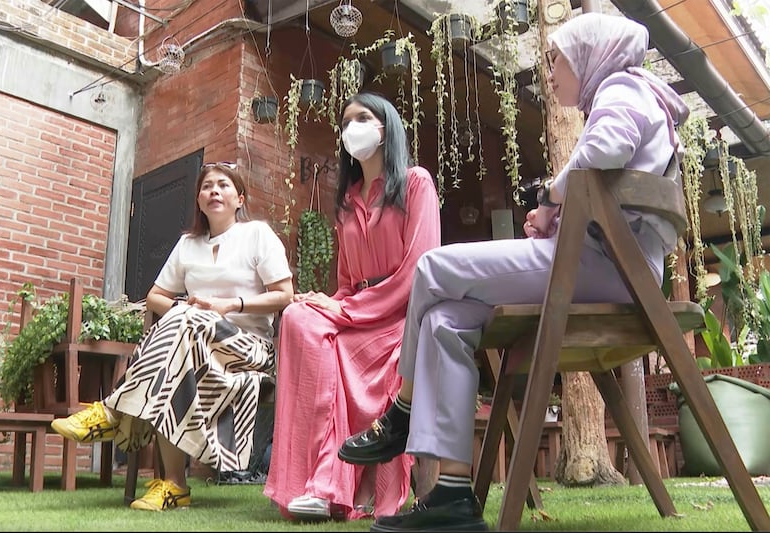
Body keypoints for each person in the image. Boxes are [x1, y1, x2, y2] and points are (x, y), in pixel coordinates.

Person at [337, 12, 690, 532]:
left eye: (556, 59)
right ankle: (452, 496)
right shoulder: (623, 96)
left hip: (603, 269)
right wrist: (557, 213)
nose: (548, 71)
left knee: (433, 266)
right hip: (598, 264)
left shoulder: (623, 88)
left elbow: (603, 150)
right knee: (445, 321)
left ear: (592, 54)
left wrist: (549, 196)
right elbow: (604, 177)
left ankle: (401, 410)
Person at [51, 162, 293, 511]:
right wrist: (187, 310)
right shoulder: (187, 244)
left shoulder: (256, 235)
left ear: (239, 198)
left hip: (248, 347)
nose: (214, 191)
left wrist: (228, 305)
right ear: (198, 199)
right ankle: (174, 487)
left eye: (223, 185)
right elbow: (155, 297)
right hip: (192, 343)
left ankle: (112, 411)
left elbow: (284, 294)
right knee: (177, 356)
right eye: (207, 186)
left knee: (185, 321)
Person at [263, 92, 442, 522]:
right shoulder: (346, 202)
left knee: (328, 336)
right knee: (297, 317)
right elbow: (346, 284)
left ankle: (332, 485)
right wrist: (328, 303)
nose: (352, 128)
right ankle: (317, 484)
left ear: (387, 127)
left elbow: (420, 268)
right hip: (359, 311)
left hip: (402, 317)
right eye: (345, 122)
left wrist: (344, 312)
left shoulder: (416, 182)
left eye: (363, 117)